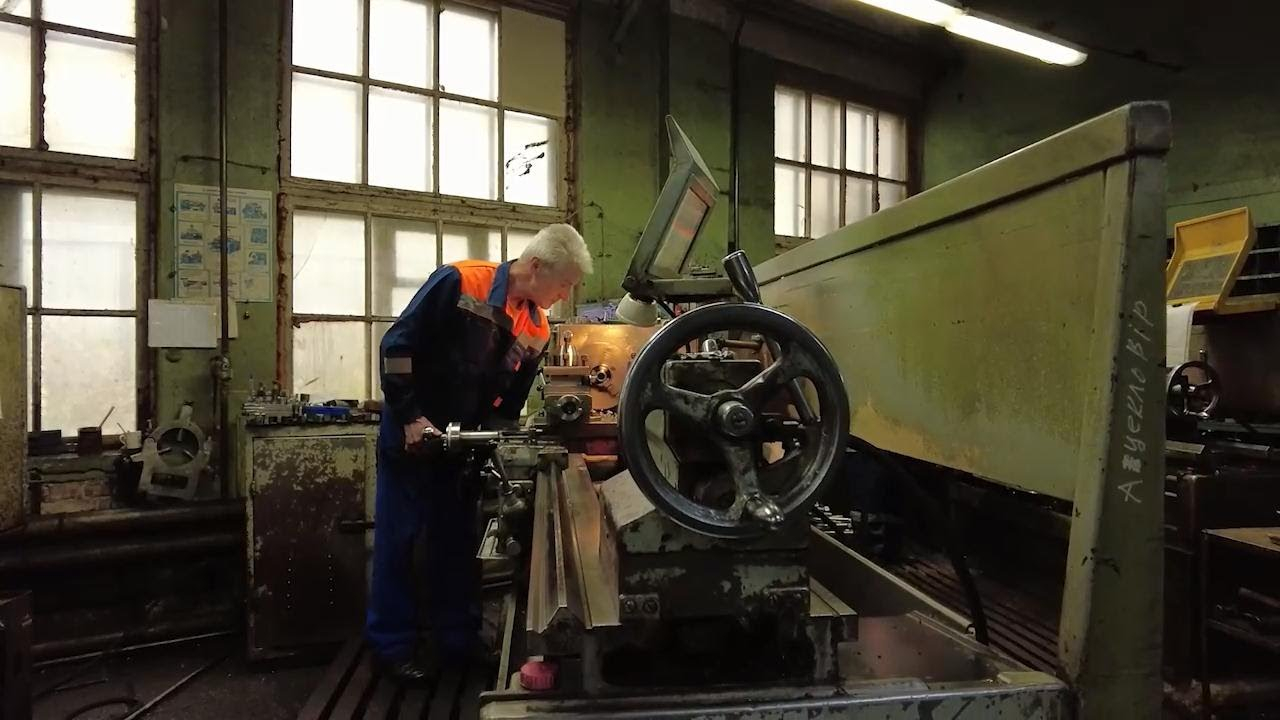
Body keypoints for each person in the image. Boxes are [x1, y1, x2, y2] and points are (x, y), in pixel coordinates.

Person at [366, 223, 592, 684]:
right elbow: (396, 347)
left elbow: (509, 402)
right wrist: (410, 416)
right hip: (414, 433)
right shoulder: (460, 281)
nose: (565, 294)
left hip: (462, 443)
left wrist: (496, 440)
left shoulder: (537, 327)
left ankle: (457, 642)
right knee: (399, 540)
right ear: (536, 267)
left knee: (455, 543)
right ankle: (392, 647)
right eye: (564, 283)